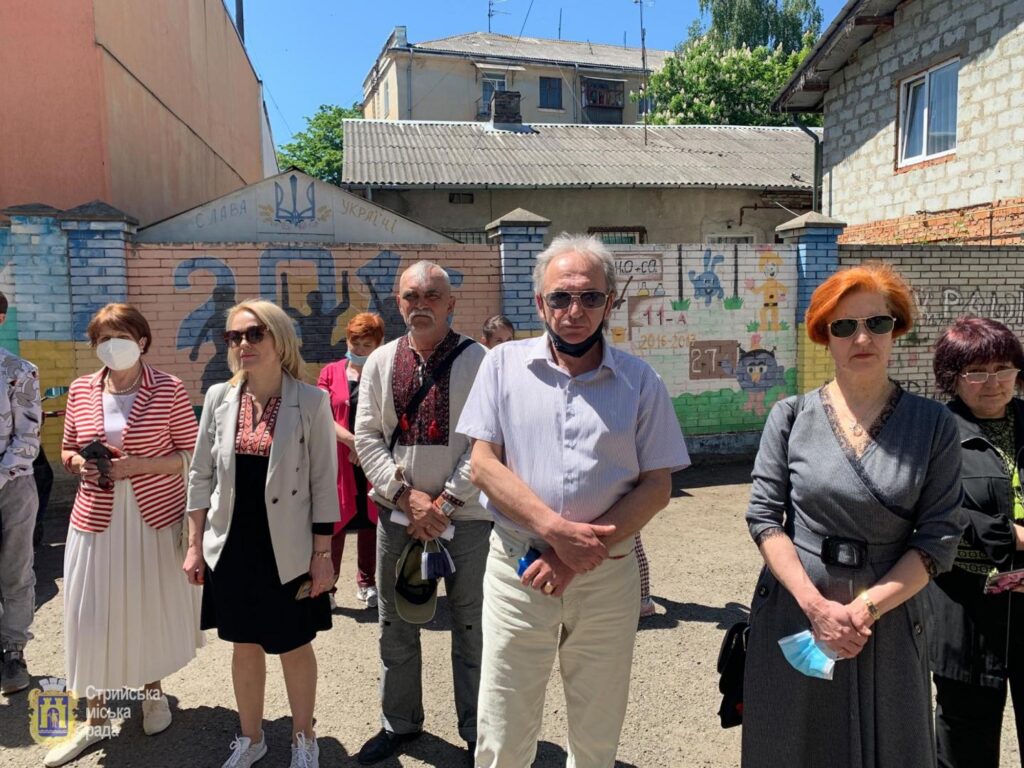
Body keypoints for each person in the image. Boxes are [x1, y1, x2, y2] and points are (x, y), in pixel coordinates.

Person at [457, 234, 689, 767]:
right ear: (541, 303)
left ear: (611, 302)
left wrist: (571, 555)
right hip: (518, 569)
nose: (574, 310)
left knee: (596, 731)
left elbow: (657, 486)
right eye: (561, 297)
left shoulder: (640, 381)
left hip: (607, 575)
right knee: (503, 728)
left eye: (589, 296)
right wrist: (554, 533)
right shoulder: (502, 366)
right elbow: (484, 464)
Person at [742, 263, 966, 768]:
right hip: (797, 611)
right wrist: (816, 608)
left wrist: (862, 612)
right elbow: (764, 517)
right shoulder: (790, 417)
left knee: (892, 746)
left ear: (896, 328)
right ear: (825, 336)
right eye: (843, 326)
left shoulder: (934, 425)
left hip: (887, 617)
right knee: (793, 745)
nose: (861, 338)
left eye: (876, 323)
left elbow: (938, 538)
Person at [185, 300, 339, 768]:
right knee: (244, 644)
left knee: (294, 644)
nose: (243, 344)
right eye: (234, 336)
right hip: (231, 545)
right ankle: (251, 738)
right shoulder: (219, 397)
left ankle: (303, 737)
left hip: (287, 548)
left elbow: (323, 482)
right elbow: (200, 475)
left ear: (279, 338)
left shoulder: (311, 401)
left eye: (254, 334)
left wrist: (322, 555)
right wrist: (194, 546)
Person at [48, 303, 199, 767]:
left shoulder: (169, 389)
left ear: (142, 341)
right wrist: (79, 463)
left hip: (152, 517)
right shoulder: (81, 389)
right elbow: (67, 447)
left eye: (121, 337)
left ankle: (153, 694)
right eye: (102, 339)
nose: (112, 347)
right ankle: (95, 717)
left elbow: (191, 455)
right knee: (92, 614)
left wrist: (139, 466)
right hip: (95, 518)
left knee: (145, 606)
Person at [354, 260, 490, 765]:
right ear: (398, 302)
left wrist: (446, 503)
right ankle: (399, 723)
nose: (421, 305)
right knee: (396, 625)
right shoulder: (380, 361)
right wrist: (403, 495)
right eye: (411, 296)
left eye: (432, 296)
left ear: (451, 303)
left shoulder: (479, 360)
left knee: (472, 626)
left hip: (468, 518)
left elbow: (487, 440)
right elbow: (367, 435)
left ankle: (478, 731)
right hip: (398, 516)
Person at [927, 316, 1024, 767]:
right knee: (965, 740)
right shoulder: (935, 433)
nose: (993, 382)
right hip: (966, 608)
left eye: (1003, 368)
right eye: (977, 372)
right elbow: (937, 509)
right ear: (953, 377)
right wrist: (1012, 536)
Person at [317, 312, 384, 610]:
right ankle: (327, 587)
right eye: (354, 342)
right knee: (335, 522)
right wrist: (352, 441)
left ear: (378, 345)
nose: (359, 349)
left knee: (370, 522)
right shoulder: (330, 372)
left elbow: (388, 415)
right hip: (339, 460)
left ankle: (367, 583)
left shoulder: (383, 372)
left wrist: (365, 446)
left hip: (372, 459)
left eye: (366, 344)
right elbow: (322, 415)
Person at [0, 290, 41, 696]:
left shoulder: (19, 371)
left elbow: (27, 437)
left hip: (12, 486)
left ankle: (13, 650)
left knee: (15, 570)